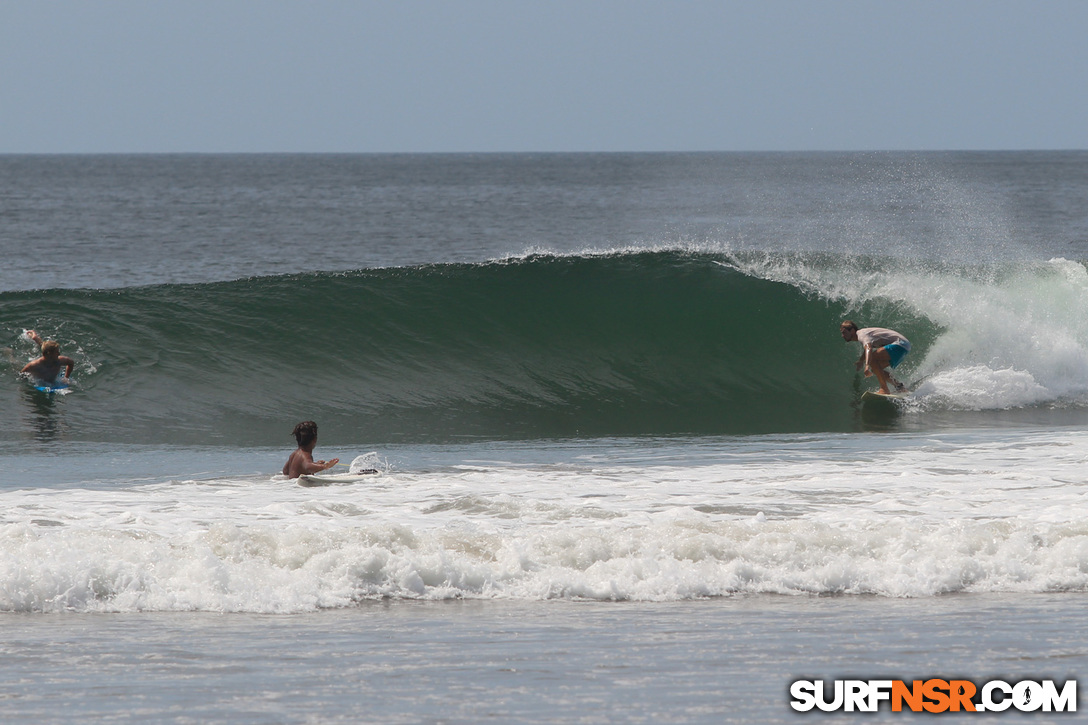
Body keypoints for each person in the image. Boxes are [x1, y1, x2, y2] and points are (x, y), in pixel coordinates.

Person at [840, 321, 911, 394]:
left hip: (900, 344)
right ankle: (899, 387)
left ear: (852, 331)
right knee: (876, 369)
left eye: (844, 332)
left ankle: (884, 389)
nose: (842, 335)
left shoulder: (861, 334)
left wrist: (867, 365)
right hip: (904, 347)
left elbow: (868, 348)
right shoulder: (863, 335)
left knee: (872, 359)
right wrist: (861, 361)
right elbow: (867, 350)